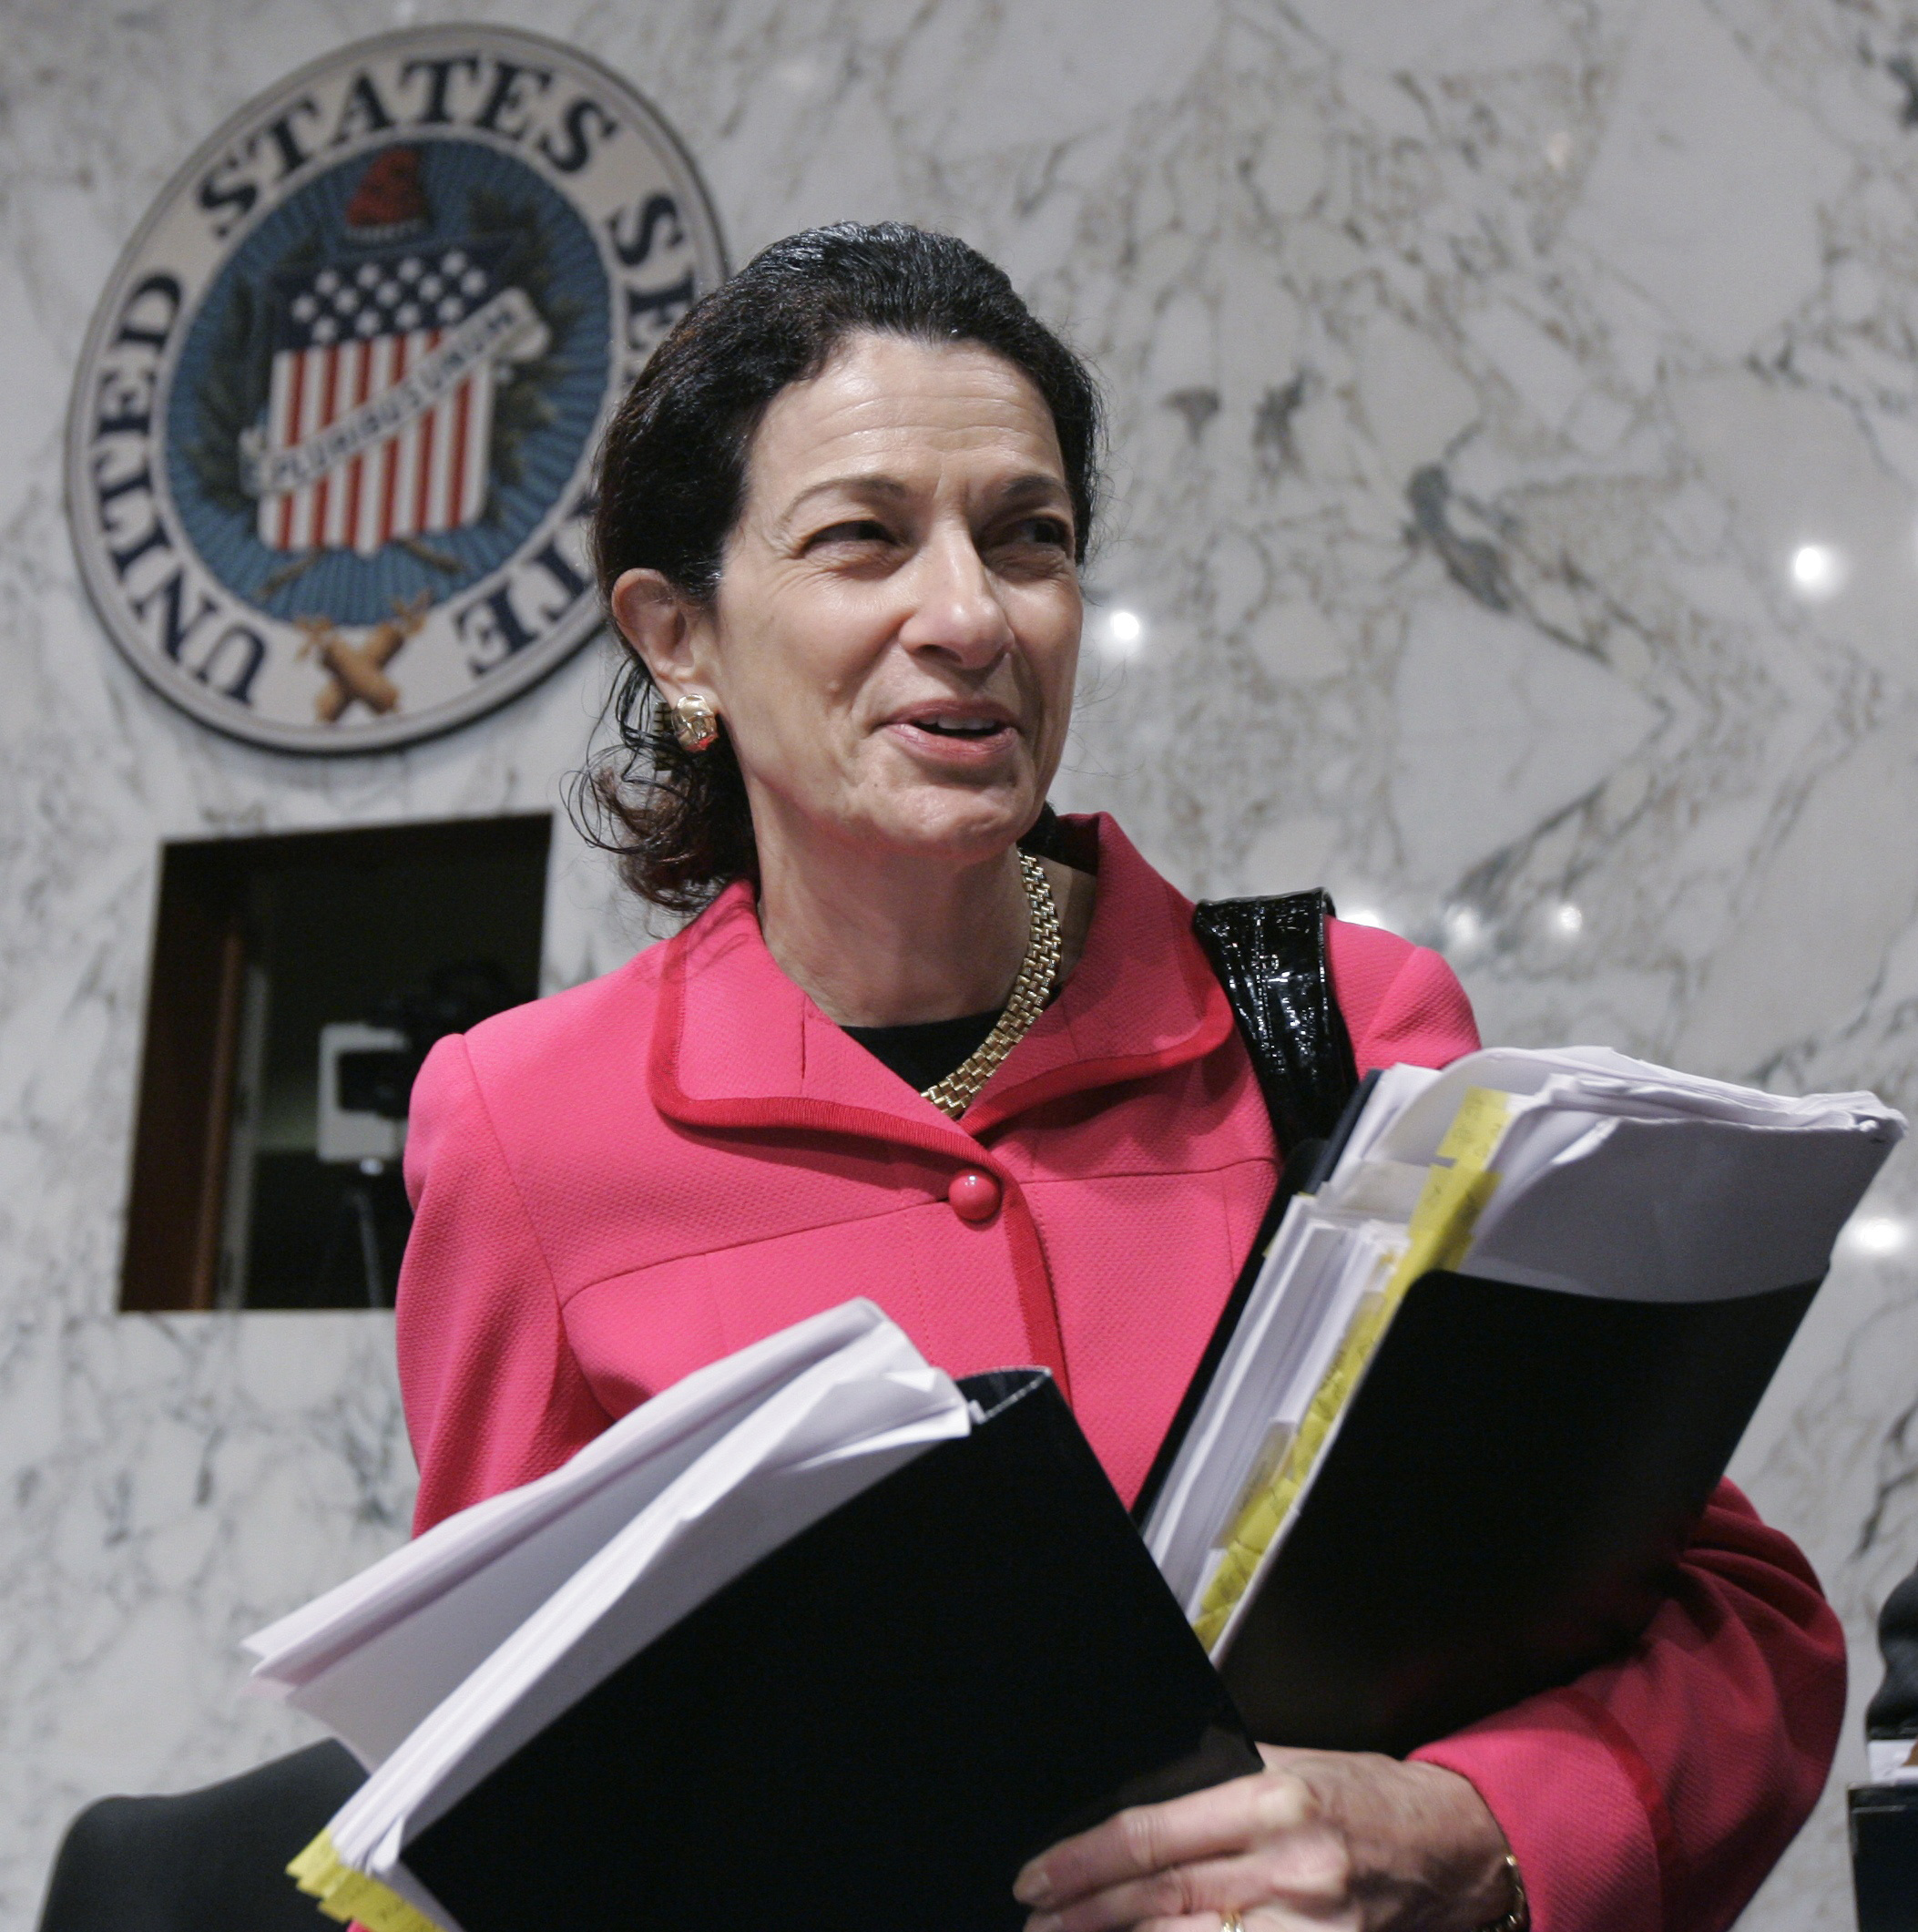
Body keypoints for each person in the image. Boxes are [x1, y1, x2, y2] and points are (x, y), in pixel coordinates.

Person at [393, 224, 1844, 1932]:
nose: (968, 616)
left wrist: (1477, 1830)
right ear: (679, 640)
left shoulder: (1343, 1031)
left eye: (1030, 538)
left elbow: (1734, 1617)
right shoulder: (528, 1126)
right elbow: (479, 1797)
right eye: (863, 538)